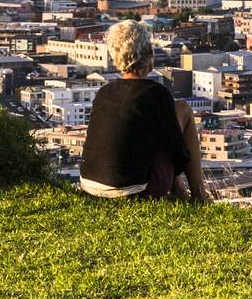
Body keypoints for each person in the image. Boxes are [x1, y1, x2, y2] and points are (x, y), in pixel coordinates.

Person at [78, 21, 208, 203]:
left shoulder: (104, 92)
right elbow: (179, 151)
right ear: (149, 53)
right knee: (183, 110)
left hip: (90, 186)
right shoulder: (155, 93)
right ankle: (199, 195)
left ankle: (181, 195)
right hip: (135, 189)